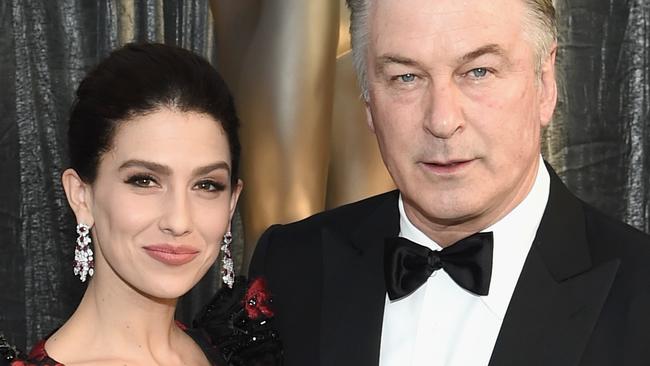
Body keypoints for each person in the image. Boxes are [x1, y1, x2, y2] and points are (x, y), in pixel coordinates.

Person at [249, 0, 650, 365]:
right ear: (368, 100)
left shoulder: (640, 294)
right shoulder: (290, 266)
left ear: (544, 83)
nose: (442, 120)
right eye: (406, 77)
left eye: (478, 72)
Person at [0, 43, 281, 366]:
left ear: (232, 203)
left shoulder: (242, 349)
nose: (178, 220)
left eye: (207, 185)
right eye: (144, 180)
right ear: (81, 196)